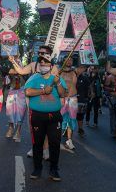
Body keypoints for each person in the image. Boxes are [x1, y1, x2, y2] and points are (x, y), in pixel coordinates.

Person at [24, 53, 67, 181]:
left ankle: (54, 169)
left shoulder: (57, 78)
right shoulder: (34, 78)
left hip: (54, 117)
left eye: (46, 63)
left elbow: (62, 94)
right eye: (41, 63)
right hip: (37, 116)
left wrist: (58, 82)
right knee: (37, 143)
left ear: (51, 65)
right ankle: (37, 168)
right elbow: (27, 91)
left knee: (54, 143)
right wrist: (43, 91)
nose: (43, 65)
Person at [9, 45, 57, 158]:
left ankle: (45, 149)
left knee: (46, 125)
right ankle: (35, 147)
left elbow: (57, 84)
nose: (40, 55)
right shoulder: (33, 65)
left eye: (43, 53)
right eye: (39, 52)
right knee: (33, 125)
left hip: (47, 100)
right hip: (33, 98)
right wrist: (13, 62)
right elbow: (21, 71)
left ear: (49, 55)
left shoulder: (54, 67)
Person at [59, 57, 78, 150]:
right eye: (67, 59)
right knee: (60, 119)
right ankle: (56, 139)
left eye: (71, 59)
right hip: (62, 99)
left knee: (72, 119)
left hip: (73, 99)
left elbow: (85, 65)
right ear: (64, 61)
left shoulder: (75, 71)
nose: (69, 61)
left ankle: (69, 140)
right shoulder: (59, 71)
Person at [4, 73, 26, 142]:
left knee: (21, 111)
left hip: (22, 89)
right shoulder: (10, 65)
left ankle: (18, 131)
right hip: (11, 89)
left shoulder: (24, 66)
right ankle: (11, 127)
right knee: (10, 110)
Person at [75, 64, 90, 137]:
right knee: (69, 116)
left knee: (80, 116)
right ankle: (66, 130)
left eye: (83, 68)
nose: (81, 69)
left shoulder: (85, 78)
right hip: (71, 99)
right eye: (80, 68)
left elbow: (89, 88)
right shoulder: (72, 76)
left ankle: (80, 129)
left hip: (81, 100)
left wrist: (88, 97)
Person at [103, 71, 116, 137]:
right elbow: (105, 87)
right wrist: (113, 89)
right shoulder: (110, 77)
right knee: (113, 115)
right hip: (112, 98)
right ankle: (113, 131)